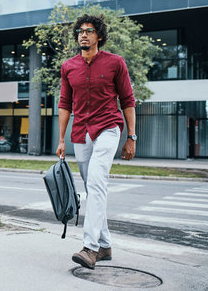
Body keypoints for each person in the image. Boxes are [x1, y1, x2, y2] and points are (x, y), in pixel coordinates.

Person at [55, 14, 137, 269]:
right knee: (93, 189)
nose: (83, 34)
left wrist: (131, 137)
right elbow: (65, 104)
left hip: (108, 128)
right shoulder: (68, 66)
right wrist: (61, 139)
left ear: (99, 36)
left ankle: (89, 248)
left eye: (89, 31)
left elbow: (128, 100)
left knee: (97, 181)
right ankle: (105, 245)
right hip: (80, 133)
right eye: (80, 31)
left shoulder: (115, 63)